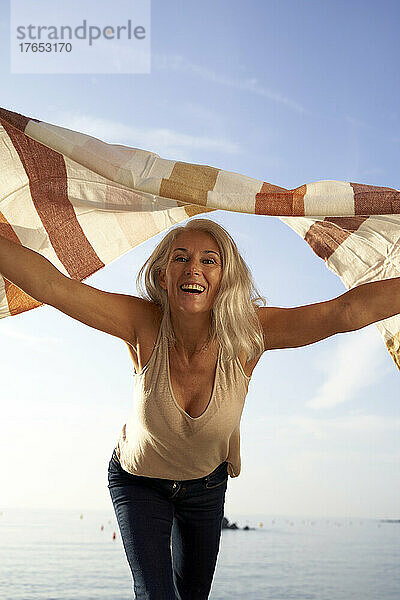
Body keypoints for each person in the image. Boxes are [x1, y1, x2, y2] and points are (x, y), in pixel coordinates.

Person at [0, 217, 399, 599]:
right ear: (163, 275)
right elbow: (52, 286)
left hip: (205, 487)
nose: (195, 268)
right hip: (138, 480)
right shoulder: (141, 323)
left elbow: (344, 313)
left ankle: (231, 444)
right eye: (181, 258)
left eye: (210, 260)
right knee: (156, 595)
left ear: (225, 277)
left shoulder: (248, 333)